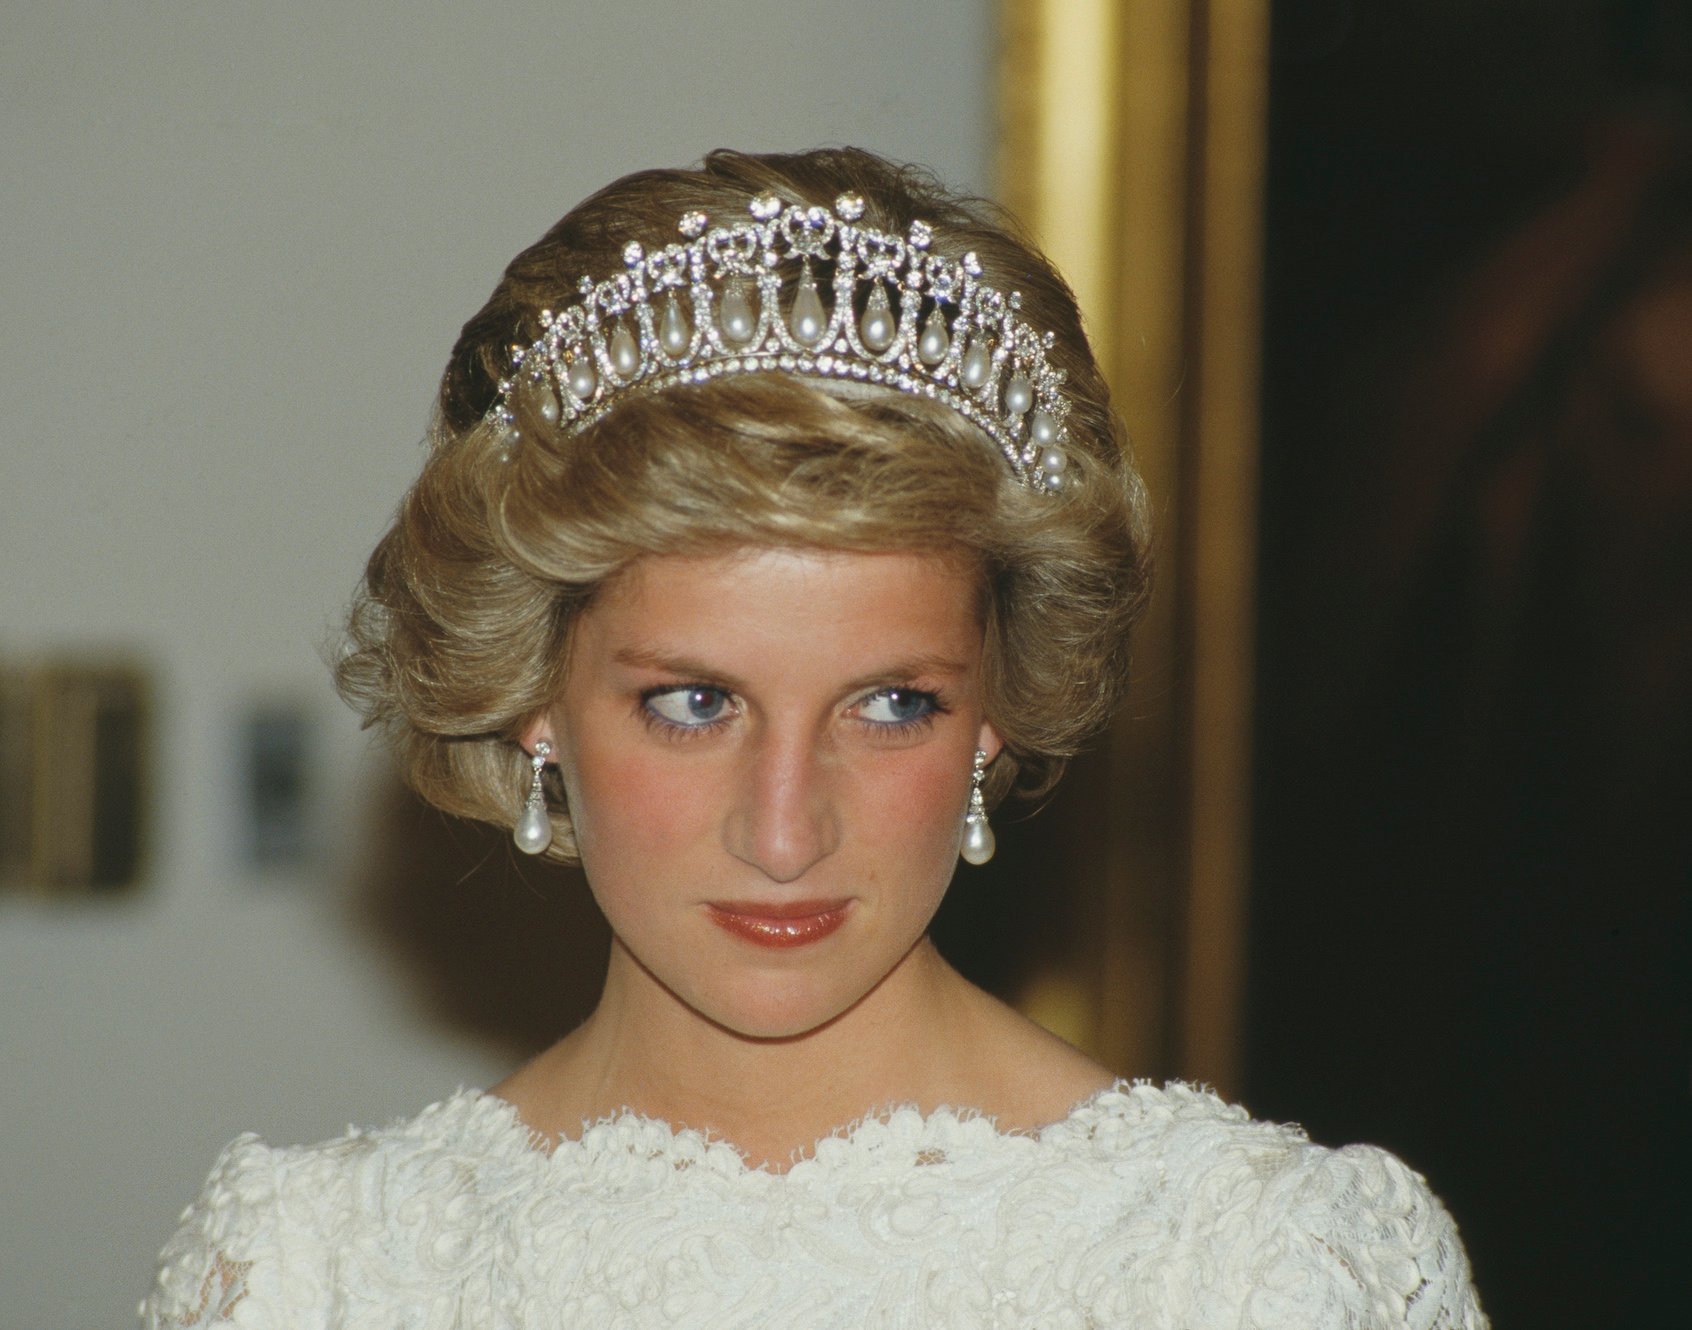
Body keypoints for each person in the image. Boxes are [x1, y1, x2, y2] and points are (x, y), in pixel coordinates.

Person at [140, 148, 1486, 1328]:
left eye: (892, 703)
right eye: (694, 701)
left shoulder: (1263, 1272)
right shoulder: (307, 1274)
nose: (786, 830)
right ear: (532, 693)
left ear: (996, 708)